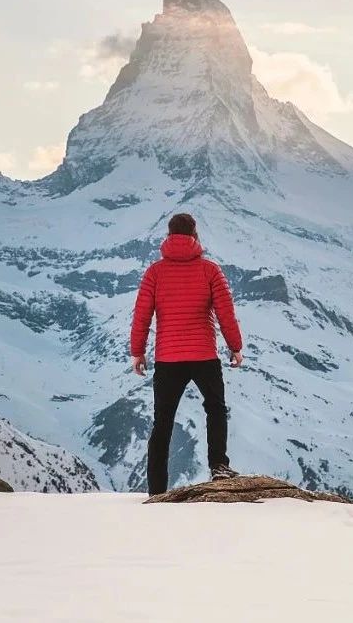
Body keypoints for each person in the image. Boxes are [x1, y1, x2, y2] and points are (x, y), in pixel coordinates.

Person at [130, 212, 244, 495]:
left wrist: (137, 352)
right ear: (195, 235)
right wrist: (235, 347)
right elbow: (225, 313)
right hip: (204, 355)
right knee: (215, 409)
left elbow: (142, 316)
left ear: (168, 235)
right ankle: (219, 466)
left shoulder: (154, 272)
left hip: (168, 359)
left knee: (163, 422)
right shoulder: (210, 270)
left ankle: (157, 489)